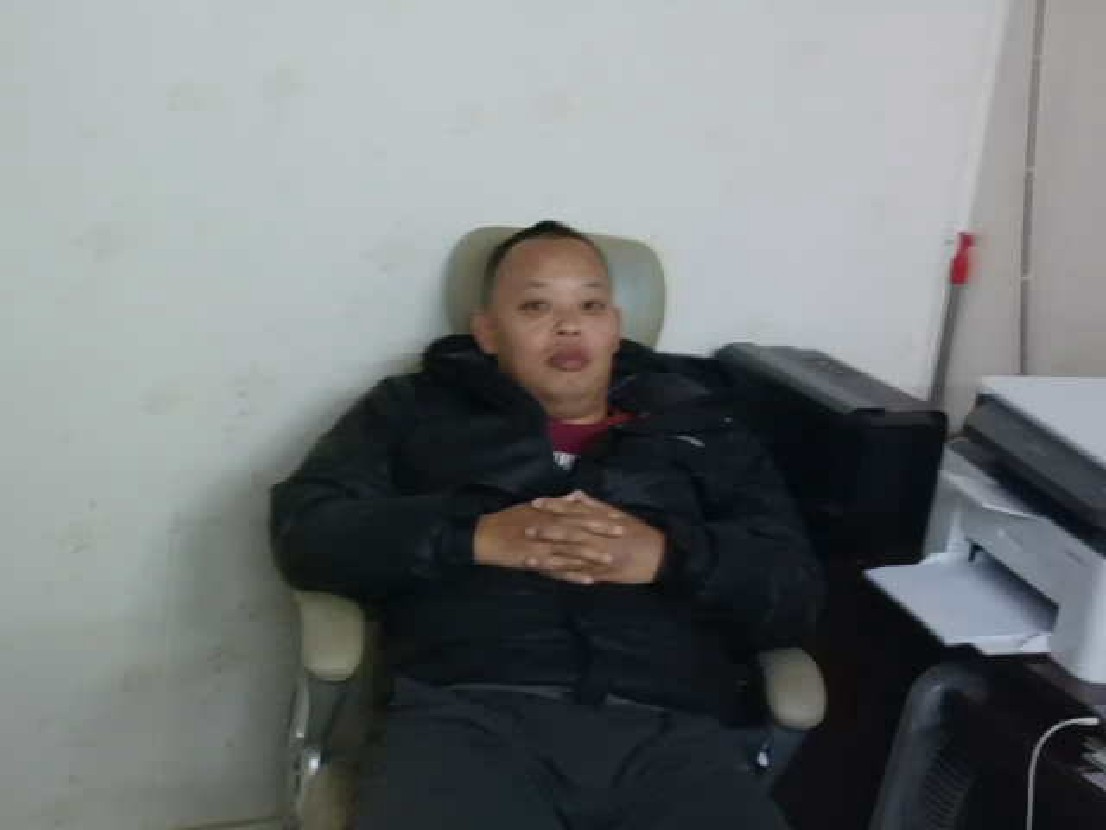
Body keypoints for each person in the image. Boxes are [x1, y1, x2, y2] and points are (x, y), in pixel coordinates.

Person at [270, 220, 824, 830]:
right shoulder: (413, 410)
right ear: (487, 331)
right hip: (467, 715)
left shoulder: (703, 428)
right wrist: (472, 537)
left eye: (590, 306)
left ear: (615, 326)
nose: (569, 327)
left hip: (672, 731)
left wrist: (668, 556)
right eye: (536, 306)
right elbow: (308, 530)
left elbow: (795, 588)